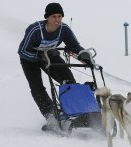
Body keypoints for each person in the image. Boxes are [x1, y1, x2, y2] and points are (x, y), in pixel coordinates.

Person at [18, 3, 85, 132]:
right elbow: (22, 51)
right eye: (54, 16)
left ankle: (70, 114)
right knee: (37, 87)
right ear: (47, 17)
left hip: (49, 55)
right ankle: (50, 116)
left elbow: (74, 46)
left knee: (68, 80)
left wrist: (84, 55)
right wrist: (37, 57)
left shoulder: (64, 29)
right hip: (29, 59)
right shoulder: (35, 30)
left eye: (60, 16)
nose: (57, 20)